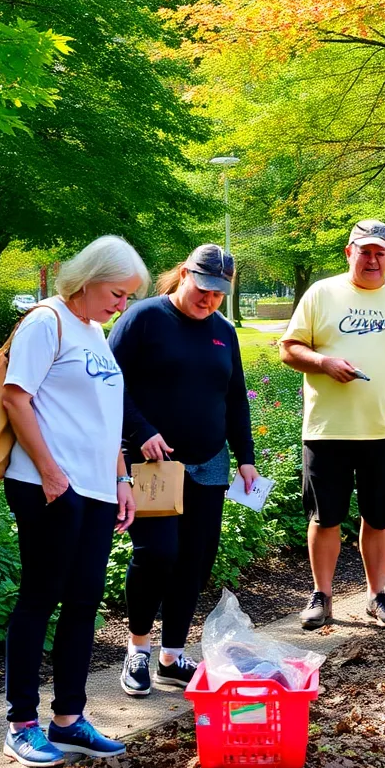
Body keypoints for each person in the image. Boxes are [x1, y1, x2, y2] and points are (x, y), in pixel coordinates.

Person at [1, 236, 149, 768]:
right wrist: (48, 470)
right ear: (87, 279)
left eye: (129, 296)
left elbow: (107, 418)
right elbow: (15, 397)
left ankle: (68, 719)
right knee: (40, 597)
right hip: (49, 486)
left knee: (84, 603)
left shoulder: (94, 330)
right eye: (116, 292)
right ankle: (21, 723)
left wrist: (122, 480)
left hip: (94, 488)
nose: (121, 305)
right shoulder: (48, 321)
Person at [108, 245, 261, 698]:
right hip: (153, 463)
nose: (209, 299)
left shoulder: (223, 332)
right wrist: (141, 431)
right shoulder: (143, 318)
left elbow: (235, 398)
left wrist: (246, 456)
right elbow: (108, 381)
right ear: (184, 275)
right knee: (158, 553)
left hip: (209, 461)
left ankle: (171, 658)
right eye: (204, 287)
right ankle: (138, 650)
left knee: (195, 560)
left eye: (219, 293)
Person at [279, 220, 385, 630]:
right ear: (348, 252)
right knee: (325, 517)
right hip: (327, 430)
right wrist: (323, 362)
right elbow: (288, 349)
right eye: (364, 251)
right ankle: (322, 596)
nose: (372, 259)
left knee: (379, 518)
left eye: (380, 252)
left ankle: (377, 595)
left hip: (383, 432)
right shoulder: (322, 294)